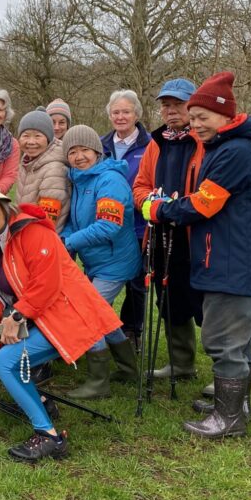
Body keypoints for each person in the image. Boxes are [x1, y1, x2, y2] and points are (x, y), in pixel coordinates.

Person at [143, 71, 251, 438]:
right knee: (240, 340)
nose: (196, 124)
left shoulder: (234, 153)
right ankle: (235, 405)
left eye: (203, 117)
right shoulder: (226, 148)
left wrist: (159, 210)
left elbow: (202, 205)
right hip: (235, 260)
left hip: (233, 263)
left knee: (224, 340)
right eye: (193, 116)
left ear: (226, 116)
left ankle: (228, 418)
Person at [0, 180, 120, 462]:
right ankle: (43, 404)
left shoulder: (31, 231)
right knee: (2, 357)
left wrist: (18, 316)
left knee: (7, 362)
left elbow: (47, 283)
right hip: (40, 318)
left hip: (69, 316)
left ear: (3, 204)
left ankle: (49, 436)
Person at [59, 125, 140, 399]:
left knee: (88, 313)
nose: (79, 156)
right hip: (96, 261)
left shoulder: (110, 181)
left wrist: (68, 243)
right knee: (102, 314)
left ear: (97, 151)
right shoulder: (79, 180)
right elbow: (73, 221)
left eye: (84, 150)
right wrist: (63, 237)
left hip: (116, 262)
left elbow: (108, 226)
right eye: (72, 151)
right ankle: (129, 369)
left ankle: (98, 381)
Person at [132, 78, 204, 381]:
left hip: (196, 235)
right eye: (166, 105)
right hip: (160, 234)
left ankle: (226, 371)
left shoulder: (204, 141)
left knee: (205, 302)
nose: (171, 111)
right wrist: (153, 206)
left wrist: (180, 209)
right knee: (169, 299)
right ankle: (181, 362)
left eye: (178, 104)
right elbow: (140, 186)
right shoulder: (156, 142)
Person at [101, 90, 152, 347]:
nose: (120, 117)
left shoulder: (151, 145)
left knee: (136, 283)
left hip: (138, 226)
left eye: (126, 112)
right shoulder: (101, 145)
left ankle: (132, 331)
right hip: (106, 224)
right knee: (100, 278)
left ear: (136, 114)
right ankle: (101, 330)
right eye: (116, 112)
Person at [13, 109, 70, 232]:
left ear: (48, 139)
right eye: (26, 135)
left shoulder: (54, 170)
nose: (31, 142)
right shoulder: (28, 162)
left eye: (38, 136)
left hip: (42, 239)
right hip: (25, 231)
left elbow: (48, 219)